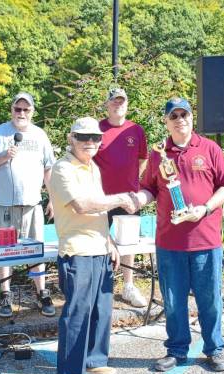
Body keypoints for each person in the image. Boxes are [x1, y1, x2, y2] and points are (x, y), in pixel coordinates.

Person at [130, 97, 224, 373]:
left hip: (206, 240)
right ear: (167, 122)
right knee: (174, 302)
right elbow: (149, 189)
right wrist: (137, 199)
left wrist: (205, 208)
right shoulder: (158, 154)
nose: (180, 120)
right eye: (173, 116)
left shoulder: (210, 149)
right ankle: (177, 350)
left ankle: (214, 350)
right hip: (170, 242)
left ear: (192, 118)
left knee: (210, 300)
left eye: (184, 114)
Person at [50, 117, 136, 374]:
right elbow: (82, 205)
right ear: (70, 138)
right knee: (78, 313)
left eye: (95, 138)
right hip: (78, 251)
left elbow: (99, 212)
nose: (90, 142)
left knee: (102, 309)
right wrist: (122, 198)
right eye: (83, 137)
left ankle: (94, 360)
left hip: (100, 248)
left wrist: (110, 241)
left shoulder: (93, 168)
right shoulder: (61, 169)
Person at [0, 92, 56, 318]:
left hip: (32, 205)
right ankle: (5, 294)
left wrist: (52, 197)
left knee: (36, 250)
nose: (21, 113)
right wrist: (3, 157)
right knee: (4, 252)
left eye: (26, 109)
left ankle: (41, 292)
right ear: (11, 110)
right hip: (3, 205)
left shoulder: (40, 136)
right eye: (18, 109)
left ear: (32, 112)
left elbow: (48, 169)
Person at [94, 88, 149, 308]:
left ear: (127, 104)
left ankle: (128, 286)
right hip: (101, 198)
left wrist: (134, 183)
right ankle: (100, 285)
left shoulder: (136, 130)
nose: (118, 105)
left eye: (122, 101)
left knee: (129, 244)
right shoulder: (97, 129)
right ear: (107, 105)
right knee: (99, 240)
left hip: (129, 197)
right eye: (114, 101)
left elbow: (143, 158)